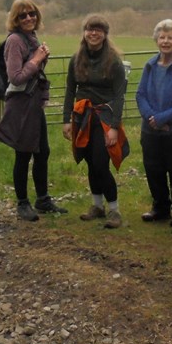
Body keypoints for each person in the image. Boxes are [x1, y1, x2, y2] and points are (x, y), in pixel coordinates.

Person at [0, 0, 68, 220]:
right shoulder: (15, 41)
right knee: (23, 153)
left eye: (32, 13)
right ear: (15, 20)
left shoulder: (31, 38)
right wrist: (37, 59)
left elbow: (35, 73)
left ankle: (43, 200)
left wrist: (41, 58)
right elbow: (15, 77)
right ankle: (23, 203)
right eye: (23, 15)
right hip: (20, 104)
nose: (29, 18)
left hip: (33, 103)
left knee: (42, 152)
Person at [63, 14, 129, 229]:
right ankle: (97, 206)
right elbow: (69, 91)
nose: (93, 33)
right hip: (82, 118)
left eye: (98, 30)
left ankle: (114, 210)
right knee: (90, 162)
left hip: (104, 119)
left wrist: (114, 128)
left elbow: (119, 96)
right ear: (84, 32)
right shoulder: (76, 59)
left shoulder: (114, 62)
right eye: (90, 29)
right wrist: (66, 121)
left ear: (105, 34)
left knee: (101, 164)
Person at [135, 19, 172, 226]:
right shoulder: (150, 65)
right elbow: (140, 95)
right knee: (153, 168)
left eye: (170, 37)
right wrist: (151, 119)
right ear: (156, 39)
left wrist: (162, 119)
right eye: (162, 37)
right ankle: (160, 207)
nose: (165, 41)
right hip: (150, 130)